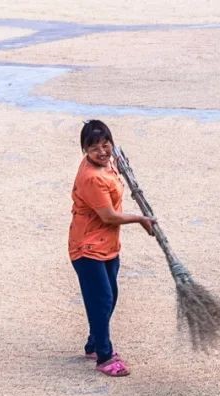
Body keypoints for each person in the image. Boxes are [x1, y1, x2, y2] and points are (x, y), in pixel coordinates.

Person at [68, 119, 155, 377]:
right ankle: (104, 356)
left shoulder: (107, 164)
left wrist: (118, 161)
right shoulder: (91, 177)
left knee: (109, 297)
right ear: (85, 150)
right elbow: (108, 216)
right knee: (102, 299)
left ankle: (94, 342)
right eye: (94, 148)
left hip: (108, 245)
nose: (102, 151)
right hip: (88, 248)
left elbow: (113, 158)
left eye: (106, 145)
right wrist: (140, 219)